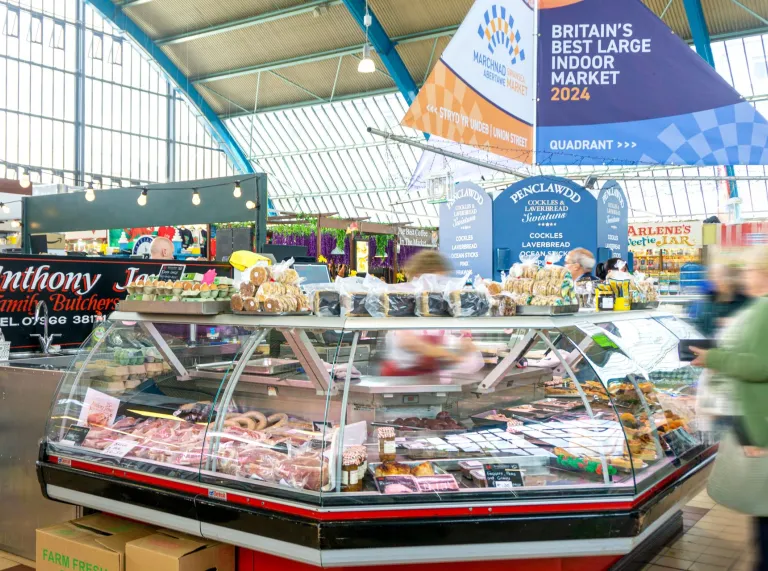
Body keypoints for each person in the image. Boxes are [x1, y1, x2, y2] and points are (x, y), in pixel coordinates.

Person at [690, 248, 768, 569]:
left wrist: (715, 358)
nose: (743, 276)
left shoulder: (763, 309)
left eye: (748, 270)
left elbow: (761, 365)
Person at [381, 251, 483, 376]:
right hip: (401, 378)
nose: (439, 285)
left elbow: (459, 337)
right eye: (436, 279)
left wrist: (465, 341)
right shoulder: (403, 300)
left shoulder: (438, 303)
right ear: (418, 276)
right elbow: (409, 342)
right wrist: (451, 356)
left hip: (430, 376)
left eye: (442, 280)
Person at [692, 264, 748, 338]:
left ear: (729, 279)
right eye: (712, 276)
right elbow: (699, 326)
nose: (714, 280)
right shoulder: (708, 301)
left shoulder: (744, 301)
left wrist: (735, 322)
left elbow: (753, 326)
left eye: (719, 276)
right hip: (708, 346)